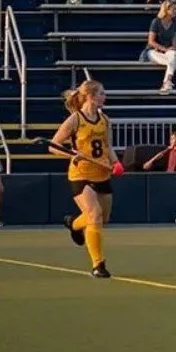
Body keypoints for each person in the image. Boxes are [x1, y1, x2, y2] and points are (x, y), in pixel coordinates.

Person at [50, 80, 117, 278]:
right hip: (80, 174)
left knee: (102, 219)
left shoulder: (105, 119)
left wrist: (116, 163)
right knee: (94, 213)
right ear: (90, 96)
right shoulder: (75, 120)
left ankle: (74, 224)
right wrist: (72, 155)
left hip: (102, 173)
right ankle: (98, 265)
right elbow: (53, 146)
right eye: (102, 93)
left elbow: (108, 147)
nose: (105, 97)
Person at [143, 0, 176, 93]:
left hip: (167, 52)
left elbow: (174, 40)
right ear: (166, 10)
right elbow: (151, 41)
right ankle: (167, 82)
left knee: (173, 54)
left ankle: (167, 81)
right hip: (153, 50)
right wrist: (164, 49)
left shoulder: (175, 22)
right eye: (173, 9)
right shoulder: (156, 22)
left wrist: (172, 49)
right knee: (174, 61)